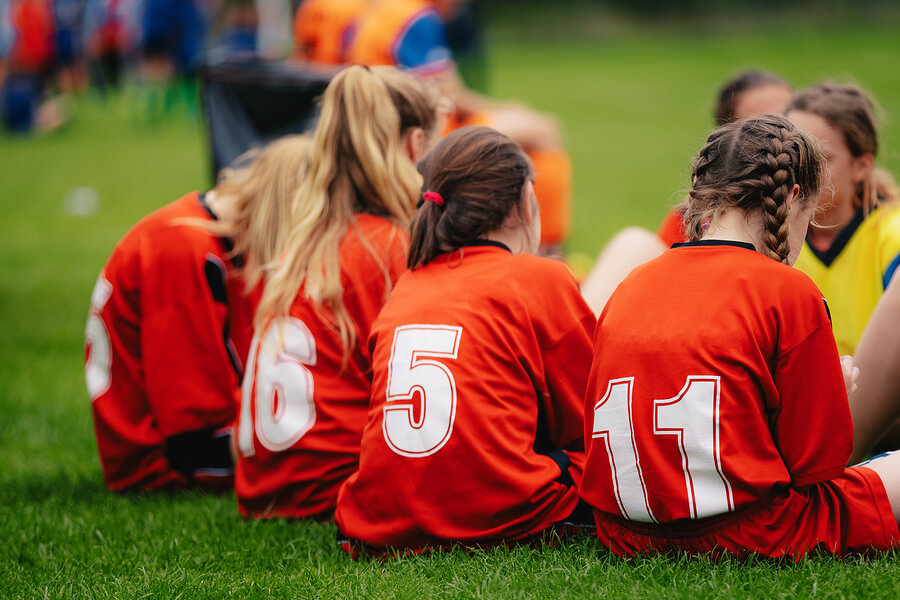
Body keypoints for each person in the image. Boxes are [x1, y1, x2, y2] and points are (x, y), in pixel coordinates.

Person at [580, 115, 900, 559]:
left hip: (624, 533)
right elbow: (815, 468)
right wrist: (835, 395)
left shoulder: (632, 282)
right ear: (793, 198)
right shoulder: (789, 289)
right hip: (752, 530)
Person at [335, 126, 596, 554]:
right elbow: (589, 422)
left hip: (376, 518)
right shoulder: (540, 277)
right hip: (501, 513)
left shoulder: (406, 285)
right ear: (523, 203)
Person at [234, 65, 441, 520]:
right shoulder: (388, 247)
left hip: (265, 487)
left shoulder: (301, 242)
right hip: (333, 487)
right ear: (415, 146)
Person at [85, 134, 312, 492]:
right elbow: (192, 438)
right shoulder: (182, 247)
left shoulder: (223, 237)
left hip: (202, 435)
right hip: (164, 458)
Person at [346, 0, 572, 254]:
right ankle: (547, 251)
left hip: (376, 130)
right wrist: (505, 107)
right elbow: (449, 94)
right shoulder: (416, 19)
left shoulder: (385, 10)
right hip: (424, 132)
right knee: (545, 131)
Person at [581, 70, 793, 315]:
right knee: (633, 243)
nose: (778, 138)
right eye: (758, 129)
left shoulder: (810, 214)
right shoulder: (694, 219)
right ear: (728, 142)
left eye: (786, 118)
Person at [786, 83, 900, 356]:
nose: (798, 168)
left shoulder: (891, 237)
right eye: (790, 153)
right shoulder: (764, 235)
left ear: (861, 166)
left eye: (819, 158)